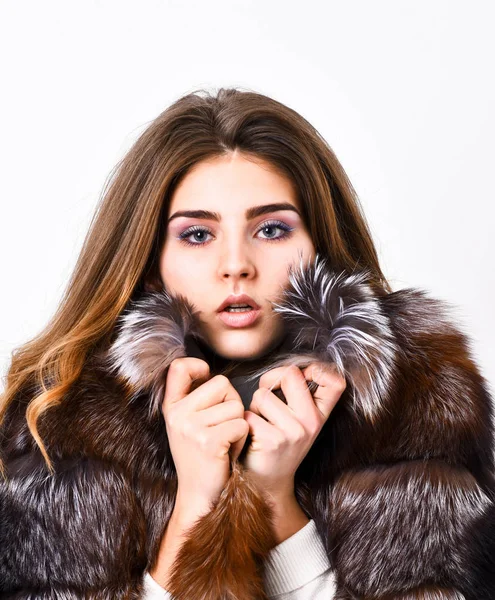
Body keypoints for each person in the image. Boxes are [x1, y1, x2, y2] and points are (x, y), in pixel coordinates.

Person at [1, 87, 493, 599]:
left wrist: (272, 498)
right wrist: (195, 506)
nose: (236, 264)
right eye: (197, 235)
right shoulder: (60, 417)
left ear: (318, 246)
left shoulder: (415, 399)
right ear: (150, 264)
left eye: (272, 229)